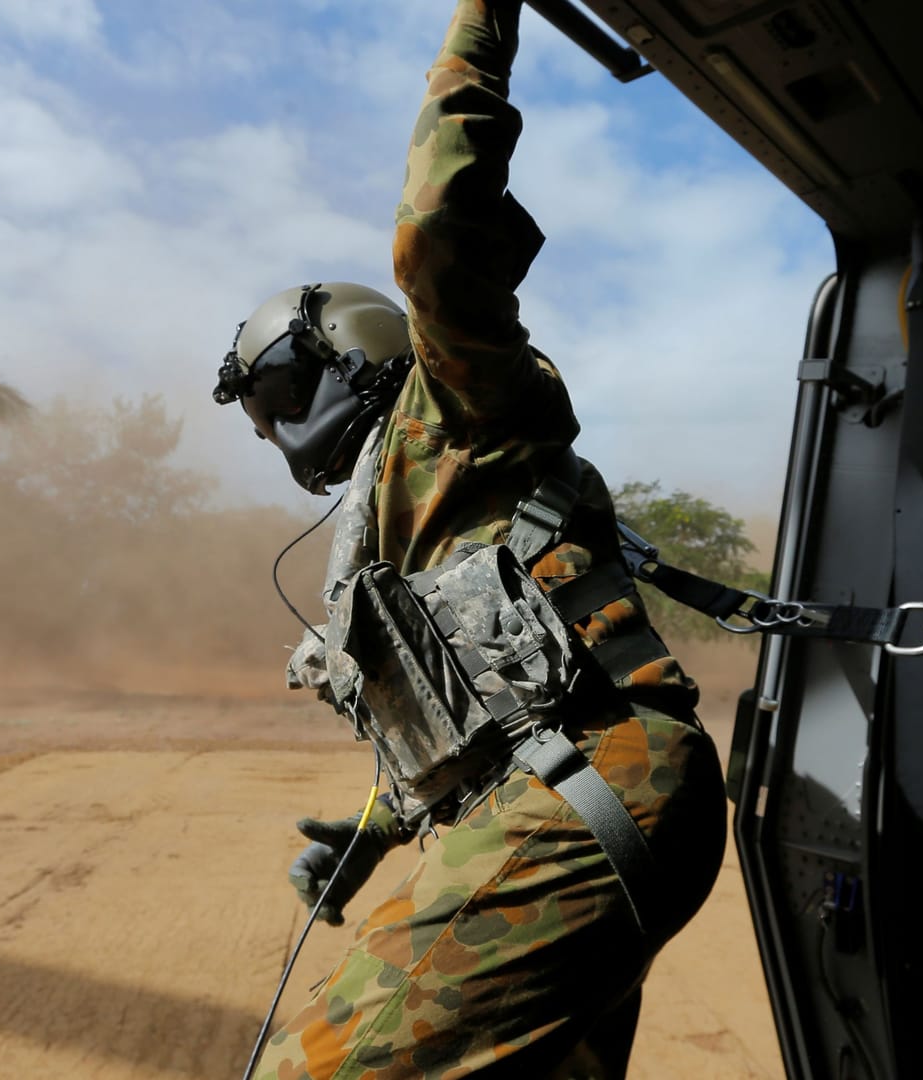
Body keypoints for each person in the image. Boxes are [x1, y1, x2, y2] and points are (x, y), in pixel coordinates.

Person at [211, 2, 725, 1075]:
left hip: (586, 794)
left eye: (277, 396)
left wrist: (483, 19)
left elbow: (437, 232)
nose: (276, 431)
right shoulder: (397, 510)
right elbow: (466, 700)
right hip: (570, 797)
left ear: (343, 355)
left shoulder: (454, 399)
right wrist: (375, 838)